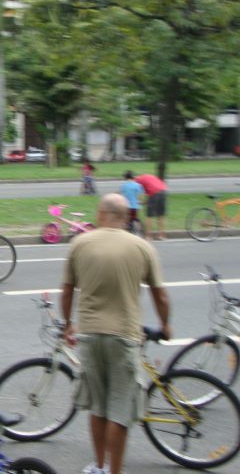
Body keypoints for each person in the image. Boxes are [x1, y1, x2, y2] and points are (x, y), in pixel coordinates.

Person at [61, 193, 171, 474]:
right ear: (126, 217)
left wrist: (68, 324)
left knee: (98, 407)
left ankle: (99, 466)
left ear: (101, 214)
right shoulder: (142, 247)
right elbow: (160, 295)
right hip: (124, 336)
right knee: (119, 411)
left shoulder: (80, 243)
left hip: (90, 335)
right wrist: (166, 326)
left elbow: (67, 290)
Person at [133, 172, 168, 240]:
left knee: (149, 216)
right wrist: (145, 202)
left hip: (154, 193)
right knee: (161, 215)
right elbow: (150, 194)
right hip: (163, 191)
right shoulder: (148, 177)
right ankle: (162, 235)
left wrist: (138, 202)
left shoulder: (137, 181)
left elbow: (139, 194)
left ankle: (148, 236)